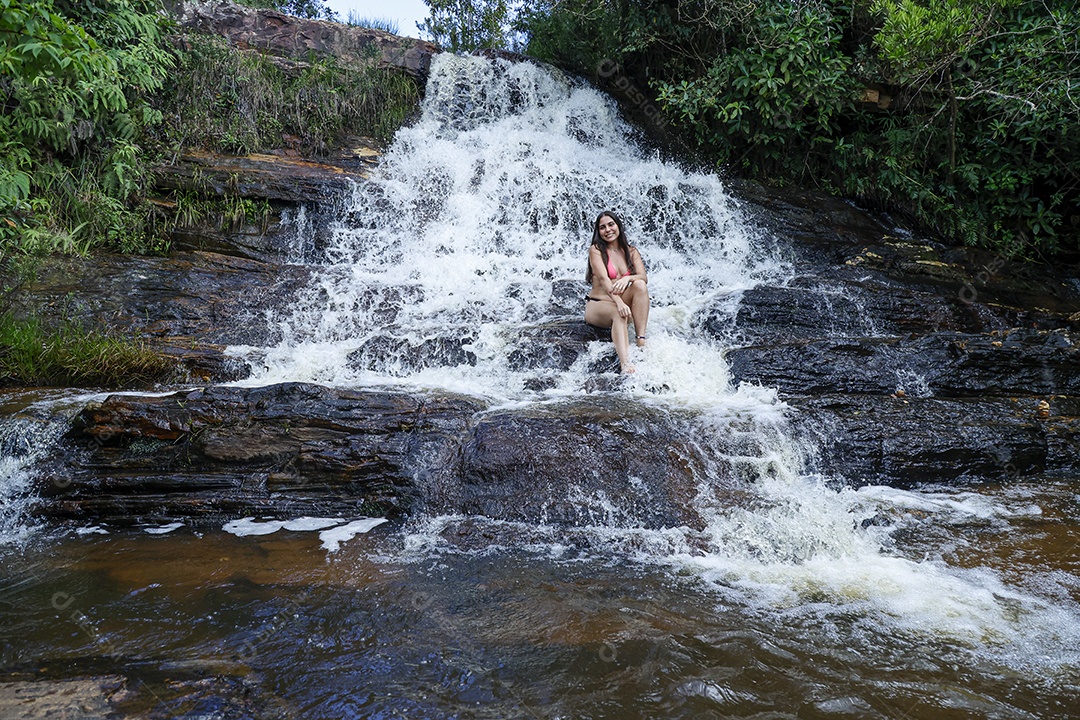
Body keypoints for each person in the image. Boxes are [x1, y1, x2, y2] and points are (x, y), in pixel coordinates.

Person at [584, 210, 650, 373]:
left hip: (622, 304)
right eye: (602, 227)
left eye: (611, 224)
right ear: (598, 232)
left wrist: (627, 278)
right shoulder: (596, 250)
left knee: (640, 285)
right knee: (618, 312)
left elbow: (643, 276)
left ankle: (640, 340)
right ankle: (625, 363)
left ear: (618, 226)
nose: (608, 230)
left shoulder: (631, 251)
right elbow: (606, 281)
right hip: (599, 305)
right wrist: (620, 303)